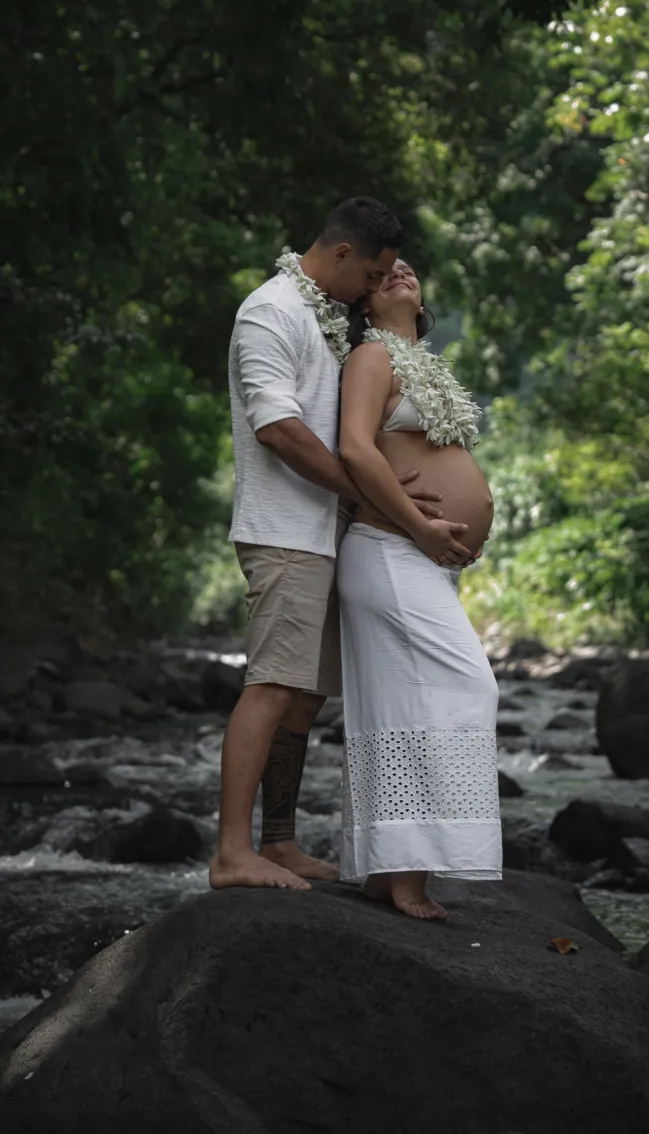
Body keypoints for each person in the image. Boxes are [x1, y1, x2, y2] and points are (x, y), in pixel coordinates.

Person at [210, 199, 466, 892]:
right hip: (285, 531)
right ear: (343, 254)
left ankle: (281, 840)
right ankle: (232, 852)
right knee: (270, 687)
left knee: (305, 697)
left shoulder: (336, 316)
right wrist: (361, 493)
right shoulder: (271, 312)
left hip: (334, 536)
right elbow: (279, 428)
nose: (375, 285)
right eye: (373, 272)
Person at [337, 258, 501, 919]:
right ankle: (404, 873)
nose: (399, 271)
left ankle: (395, 871)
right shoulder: (372, 358)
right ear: (366, 299)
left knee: (403, 709)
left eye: (406, 266)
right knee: (468, 686)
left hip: (417, 559)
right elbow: (354, 448)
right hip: (391, 550)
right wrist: (422, 528)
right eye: (382, 271)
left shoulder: (421, 362)